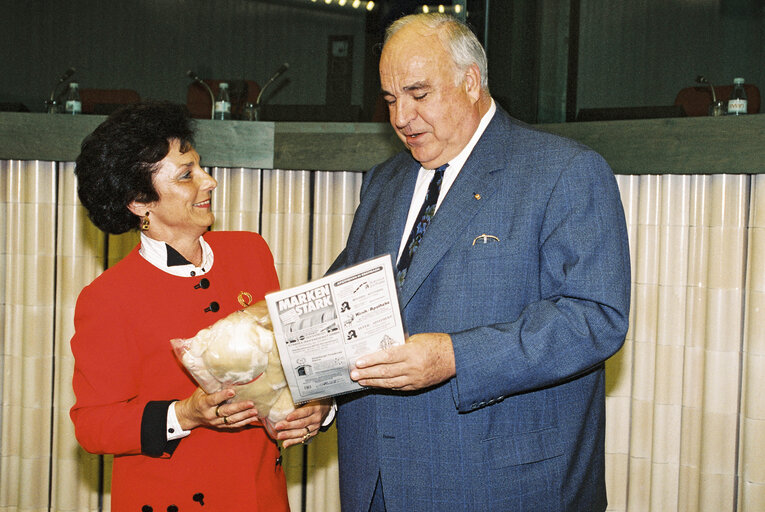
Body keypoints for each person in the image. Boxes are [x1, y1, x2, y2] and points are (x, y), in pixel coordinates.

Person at [328, 13, 631, 512]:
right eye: (389, 99)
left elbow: (594, 318)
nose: (401, 116)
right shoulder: (383, 181)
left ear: (470, 82)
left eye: (418, 94)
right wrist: (312, 394)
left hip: (501, 484)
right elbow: (346, 303)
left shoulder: (565, 172)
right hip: (376, 483)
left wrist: (455, 357)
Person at [70, 101, 331, 511]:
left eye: (201, 167)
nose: (209, 182)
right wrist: (184, 414)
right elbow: (92, 425)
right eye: (187, 175)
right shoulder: (107, 298)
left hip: (261, 496)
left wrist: (318, 406)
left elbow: (290, 362)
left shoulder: (251, 252)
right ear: (140, 203)